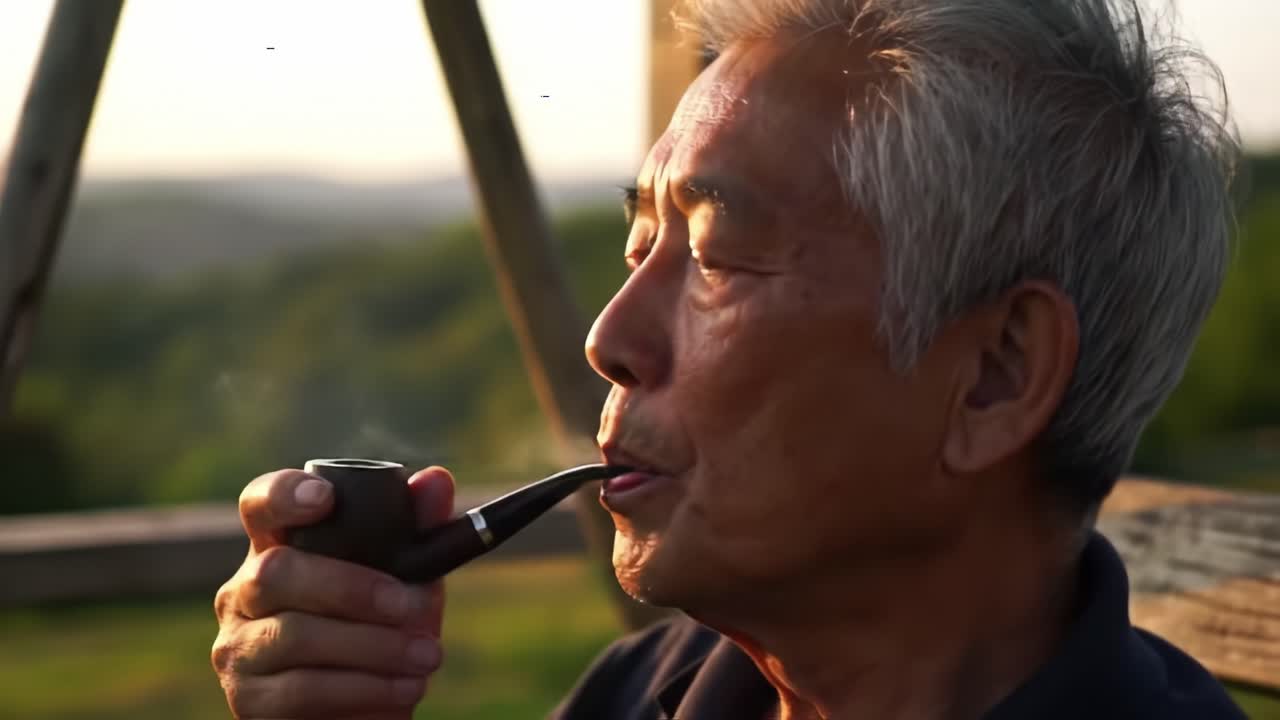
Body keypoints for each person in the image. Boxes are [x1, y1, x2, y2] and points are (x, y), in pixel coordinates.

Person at [211, 0, 1248, 718]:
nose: (607, 341)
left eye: (713, 258)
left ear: (994, 375)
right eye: (636, 247)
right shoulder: (644, 692)